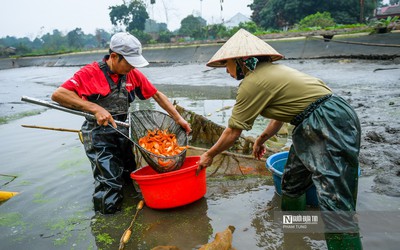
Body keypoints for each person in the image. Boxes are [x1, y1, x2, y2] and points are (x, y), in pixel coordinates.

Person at [198, 29, 362, 249]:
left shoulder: (253, 82)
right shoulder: (272, 73)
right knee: (293, 181)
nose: (226, 70)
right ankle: (295, 234)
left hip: (329, 122)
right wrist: (262, 138)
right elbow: (281, 115)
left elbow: (232, 132)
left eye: (227, 64)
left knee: (336, 201)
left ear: (241, 62)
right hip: (311, 124)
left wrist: (209, 154)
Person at [52, 32, 191, 214]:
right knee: (108, 180)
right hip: (98, 134)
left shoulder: (132, 74)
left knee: (128, 172)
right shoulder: (90, 73)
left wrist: (178, 118)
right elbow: (59, 95)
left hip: (123, 130)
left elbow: (156, 95)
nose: (132, 67)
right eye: (129, 62)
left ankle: (131, 211)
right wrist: (95, 108)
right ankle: (108, 220)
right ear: (114, 56)